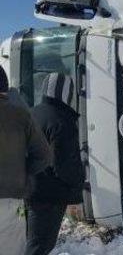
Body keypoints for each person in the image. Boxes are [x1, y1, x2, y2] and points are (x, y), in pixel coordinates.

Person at [26, 73, 84, 255]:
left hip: (27, 190)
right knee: (40, 246)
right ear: (67, 93)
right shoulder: (61, 120)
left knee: (31, 240)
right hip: (49, 195)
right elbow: (65, 164)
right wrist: (78, 186)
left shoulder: (31, 113)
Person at [0, 67, 51, 255]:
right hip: (11, 202)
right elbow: (44, 156)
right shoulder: (21, 116)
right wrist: (23, 172)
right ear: (5, 88)